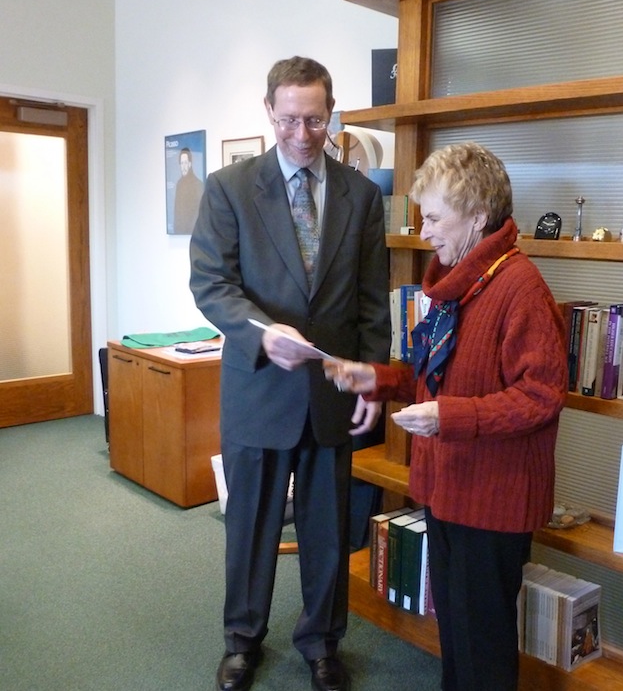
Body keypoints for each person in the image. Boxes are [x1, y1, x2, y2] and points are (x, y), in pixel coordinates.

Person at [325, 142, 568, 691]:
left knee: (482, 643)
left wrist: (449, 418)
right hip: (450, 487)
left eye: (434, 217)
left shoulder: (519, 287)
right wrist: (380, 379)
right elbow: (432, 378)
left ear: (478, 217)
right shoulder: (456, 284)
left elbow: (542, 395)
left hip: (493, 498)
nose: (425, 230)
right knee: (457, 631)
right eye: (421, 216)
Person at [189, 56, 390, 691]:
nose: (303, 134)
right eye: (289, 120)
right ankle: (242, 640)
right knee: (250, 525)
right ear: (269, 111)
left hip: (331, 392)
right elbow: (211, 283)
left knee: (328, 531)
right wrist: (262, 332)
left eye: (316, 120)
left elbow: (371, 301)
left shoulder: (360, 195)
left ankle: (322, 642)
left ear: (331, 113)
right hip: (258, 387)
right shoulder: (228, 188)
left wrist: (374, 380)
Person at [173, 147, 205, 234]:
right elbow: (177, 213)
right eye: (181, 163)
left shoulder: (198, 184)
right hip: (180, 232)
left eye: (185, 163)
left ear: (190, 164)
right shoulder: (179, 184)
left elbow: (199, 214)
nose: (183, 167)